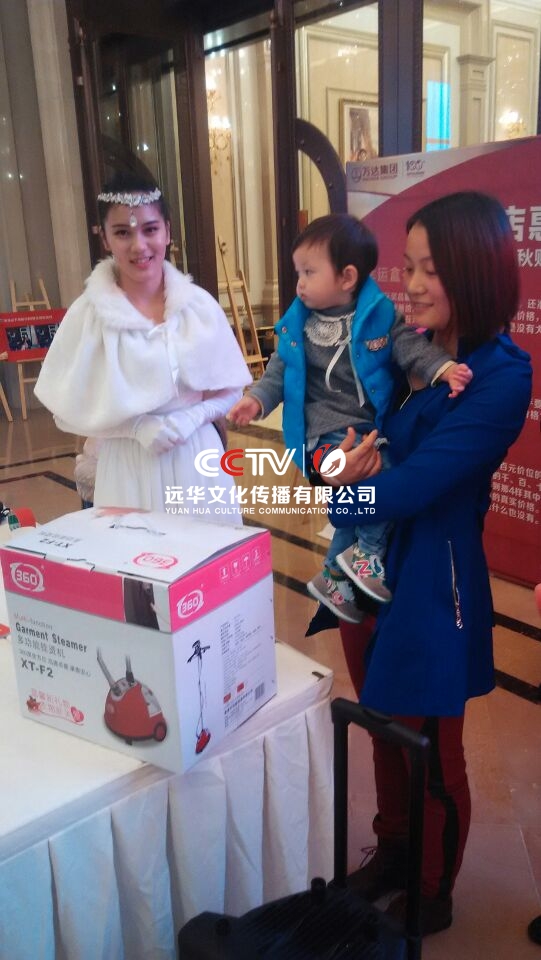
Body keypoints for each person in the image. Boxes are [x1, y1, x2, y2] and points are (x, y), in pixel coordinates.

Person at [319, 192, 532, 935]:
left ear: (474, 270)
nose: (408, 284)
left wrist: (339, 493)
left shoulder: (501, 375)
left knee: (433, 746)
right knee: (381, 719)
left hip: (432, 582)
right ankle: (392, 851)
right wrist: (334, 463)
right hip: (364, 567)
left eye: (429, 269)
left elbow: (417, 484)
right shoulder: (406, 349)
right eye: (406, 266)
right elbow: (344, 431)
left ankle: (433, 887)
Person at [228, 213, 472, 621]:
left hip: (364, 429)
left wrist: (442, 368)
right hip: (324, 432)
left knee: (359, 490)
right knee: (381, 474)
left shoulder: (378, 316)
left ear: (347, 277)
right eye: (298, 273)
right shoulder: (297, 325)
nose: (299, 284)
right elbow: (279, 372)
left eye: (309, 272)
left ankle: (334, 575)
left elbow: (409, 348)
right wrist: (256, 401)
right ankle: (369, 557)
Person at [35, 171, 251, 519]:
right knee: (135, 549)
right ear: (104, 238)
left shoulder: (197, 305)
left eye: (150, 229)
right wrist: (135, 427)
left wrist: (193, 417)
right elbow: (67, 410)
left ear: (167, 231)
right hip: (127, 464)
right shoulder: (89, 314)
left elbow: (231, 388)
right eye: (123, 232)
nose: (139, 245)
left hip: (196, 455)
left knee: (206, 549)